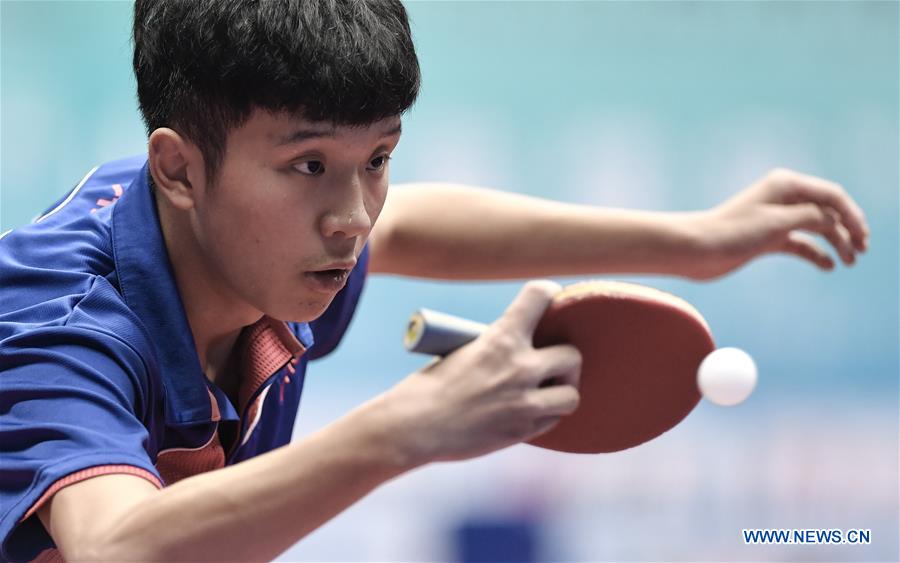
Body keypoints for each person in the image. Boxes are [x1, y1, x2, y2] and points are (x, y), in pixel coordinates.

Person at [0, 0, 870, 560]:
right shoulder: (59, 324)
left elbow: (413, 222)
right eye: (309, 164)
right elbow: (112, 547)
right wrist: (405, 429)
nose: (355, 215)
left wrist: (694, 242)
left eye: (376, 157)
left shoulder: (253, 239)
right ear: (180, 170)